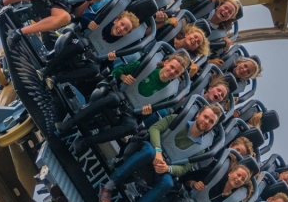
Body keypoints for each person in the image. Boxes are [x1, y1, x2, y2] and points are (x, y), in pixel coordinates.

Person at [59, 50, 192, 149]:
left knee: (132, 127)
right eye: (172, 67)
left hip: (132, 110)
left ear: (178, 76)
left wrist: (146, 112)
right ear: (166, 62)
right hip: (120, 94)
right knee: (112, 98)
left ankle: (86, 142)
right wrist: (123, 77)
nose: (172, 72)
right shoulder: (147, 67)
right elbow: (118, 70)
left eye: (176, 72)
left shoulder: (168, 93)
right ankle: (70, 123)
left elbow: (148, 113)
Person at [40, 11, 140, 89]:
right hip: (78, 44)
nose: (121, 28)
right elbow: (80, 17)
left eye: (125, 29)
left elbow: (107, 67)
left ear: (126, 34)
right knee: (79, 45)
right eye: (122, 24)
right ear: (116, 20)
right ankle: (47, 69)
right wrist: (88, 23)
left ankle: (57, 79)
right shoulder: (103, 21)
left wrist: (109, 60)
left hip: (90, 57)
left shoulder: (118, 44)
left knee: (95, 70)